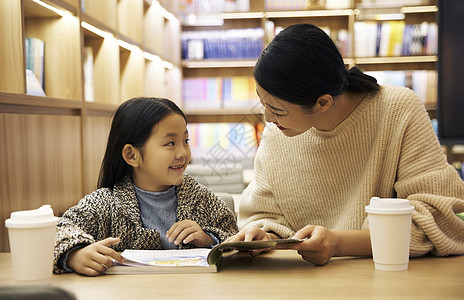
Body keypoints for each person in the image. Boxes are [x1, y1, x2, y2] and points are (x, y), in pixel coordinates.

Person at [230, 23, 464, 265]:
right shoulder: (278, 132)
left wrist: (339, 243)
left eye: (277, 109)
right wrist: (264, 236)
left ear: (323, 103)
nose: (267, 118)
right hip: (303, 281)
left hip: (389, 277)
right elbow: (264, 215)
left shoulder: (398, 110)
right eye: (262, 103)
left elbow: (443, 218)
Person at [54, 97, 238, 276]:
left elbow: (234, 237)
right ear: (132, 155)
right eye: (170, 143)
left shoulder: (201, 198)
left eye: (186, 141)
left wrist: (207, 238)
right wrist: (74, 255)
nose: (182, 153)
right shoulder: (104, 203)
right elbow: (57, 231)